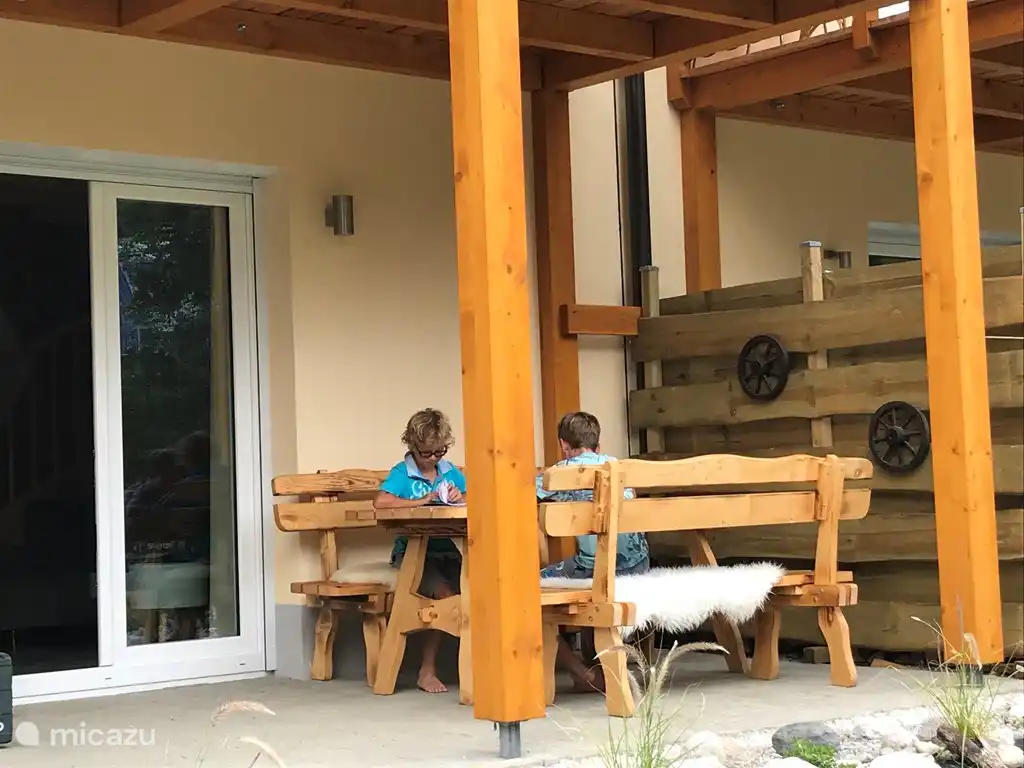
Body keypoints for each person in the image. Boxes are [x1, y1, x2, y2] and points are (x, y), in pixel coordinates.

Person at [537, 411, 650, 693]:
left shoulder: (561, 471)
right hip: (638, 565)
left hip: (594, 567)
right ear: (598, 445)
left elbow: (522, 494)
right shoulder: (619, 467)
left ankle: (580, 672)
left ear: (564, 445)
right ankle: (594, 664)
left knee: (526, 591)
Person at [373, 408, 466, 694]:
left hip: (449, 549)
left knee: (478, 590)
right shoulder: (403, 473)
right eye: (429, 453)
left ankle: (479, 666)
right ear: (414, 447)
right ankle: (427, 669)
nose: (436, 458)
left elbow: (469, 498)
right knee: (446, 596)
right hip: (414, 554)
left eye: (441, 451)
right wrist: (422, 501)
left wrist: (459, 497)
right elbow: (381, 501)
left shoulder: (450, 471)